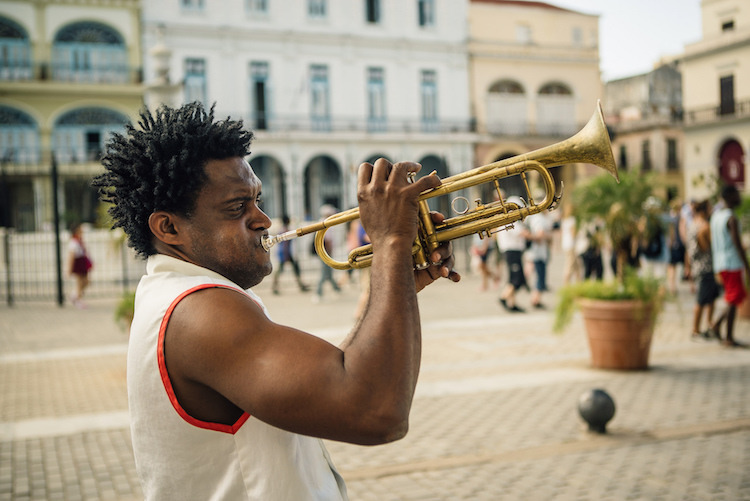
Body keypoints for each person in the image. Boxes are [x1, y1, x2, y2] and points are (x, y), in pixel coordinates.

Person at [92, 102, 460, 500]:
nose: (263, 219)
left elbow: (337, 375)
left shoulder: (179, 296)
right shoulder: (198, 310)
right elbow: (376, 411)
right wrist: (390, 240)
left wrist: (396, 277)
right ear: (169, 227)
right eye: (237, 207)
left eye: (257, 200)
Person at [709, 185, 750, 347]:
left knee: (733, 297)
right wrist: (746, 265)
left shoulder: (716, 216)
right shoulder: (731, 217)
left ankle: (717, 325)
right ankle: (727, 335)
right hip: (732, 262)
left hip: (720, 262)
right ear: (730, 196)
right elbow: (737, 244)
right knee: (734, 297)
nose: (739, 198)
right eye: (737, 195)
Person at [687, 200, 720, 340]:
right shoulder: (704, 226)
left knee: (709, 298)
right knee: (702, 300)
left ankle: (708, 326)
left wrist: (688, 266)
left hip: (698, 266)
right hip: (706, 267)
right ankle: (696, 329)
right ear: (704, 210)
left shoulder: (693, 224)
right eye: (710, 208)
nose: (711, 210)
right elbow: (707, 244)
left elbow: (689, 250)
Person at [497, 210, 529, 313]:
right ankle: (504, 297)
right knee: (516, 279)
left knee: (513, 277)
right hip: (513, 251)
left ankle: (512, 303)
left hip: (510, 251)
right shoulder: (510, 221)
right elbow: (521, 233)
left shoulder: (504, 220)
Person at [271, 215, 310, 294]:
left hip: (284, 252)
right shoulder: (285, 230)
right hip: (286, 253)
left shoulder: (281, 229)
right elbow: (285, 244)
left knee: (292, 269)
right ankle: (275, 287)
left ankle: (300, 285)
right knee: (284, 270)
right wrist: (287, 255)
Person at [312, 204, 342, 303]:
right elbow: (328, 240)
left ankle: (337, 289)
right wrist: (329, 252)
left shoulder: (323, 222)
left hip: (324, 252)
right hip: (325, 252)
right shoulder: (325, 223)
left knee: (328, 273)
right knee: (324, 273)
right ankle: (318, 293)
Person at [525, 211, 554, 309]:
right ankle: (535, 299)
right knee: (540, 276)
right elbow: (540, 235)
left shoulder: (534, 218)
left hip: (537, 252)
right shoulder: (539, 219)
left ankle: (536, 299)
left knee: (539, 275)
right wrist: (549, 236)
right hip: (538, 252)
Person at [67, 222, 92, 308]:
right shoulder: (73, 242)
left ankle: (74, 295)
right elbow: (71, 257)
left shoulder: (79, 240)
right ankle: (78, 299)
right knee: (79, 283)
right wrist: (69, 269)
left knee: (86, 281)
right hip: (78, 264)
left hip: (82, 263)